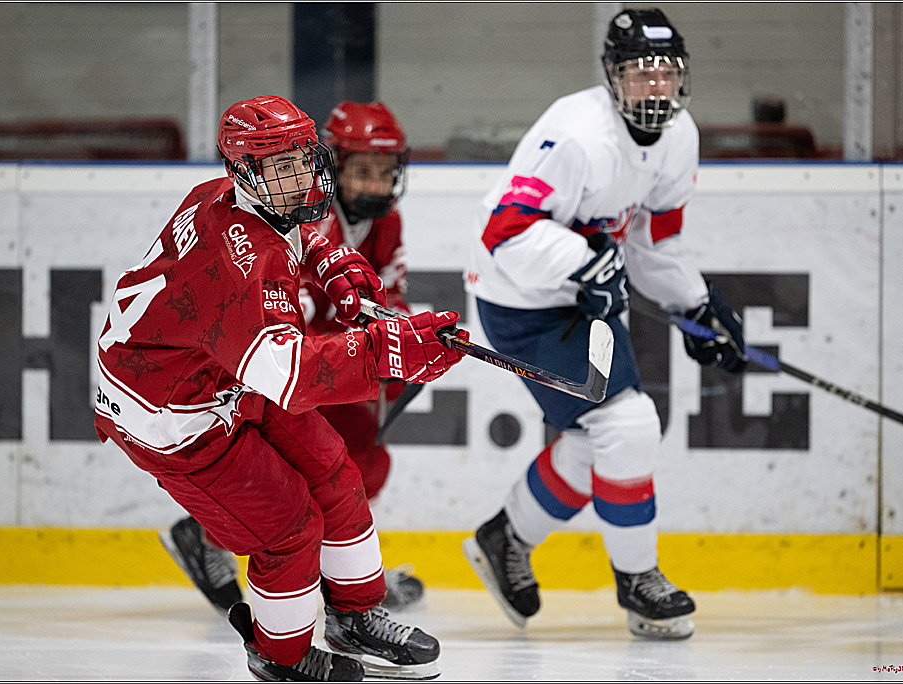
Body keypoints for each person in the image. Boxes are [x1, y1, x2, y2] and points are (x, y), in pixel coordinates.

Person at [95, 94, 466, 681]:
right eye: (281, 166)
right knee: (290, 528)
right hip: (174, 414)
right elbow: (290, 376)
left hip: (217, 375)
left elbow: (299, 232)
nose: (299, 176)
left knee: (334, 469)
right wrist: (388, 350)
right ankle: (280, 656)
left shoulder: (227, 196)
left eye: (301, 157)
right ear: (244, 170)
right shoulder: (244, 267)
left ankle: (355, 614)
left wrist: (332, 261)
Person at [461, 8, 746, 641]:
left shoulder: (681, 139)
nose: (655, 88)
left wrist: (696, 307)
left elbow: (650, 248)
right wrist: (586, 259)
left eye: (666, 74)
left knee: (603, 439)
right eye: (640, 74)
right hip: (519, 296)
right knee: (628, 422)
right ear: (612, 78)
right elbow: (504, 235)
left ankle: (506, 535)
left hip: (582, 293)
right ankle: (639, 582)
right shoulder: (576, 135)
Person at [161, 101, 426, 614]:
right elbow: (282, 321)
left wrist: (401, 334)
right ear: (335, 165)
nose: (375, 185)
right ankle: (215, 540)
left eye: (385, 172)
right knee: (294, 478)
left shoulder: (386, 223)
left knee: (365, 464)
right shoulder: (298, 211)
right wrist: (369, 344)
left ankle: (342, 573)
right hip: (293, 366)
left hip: (334, 363)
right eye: (363, 171)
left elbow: (389, 293)